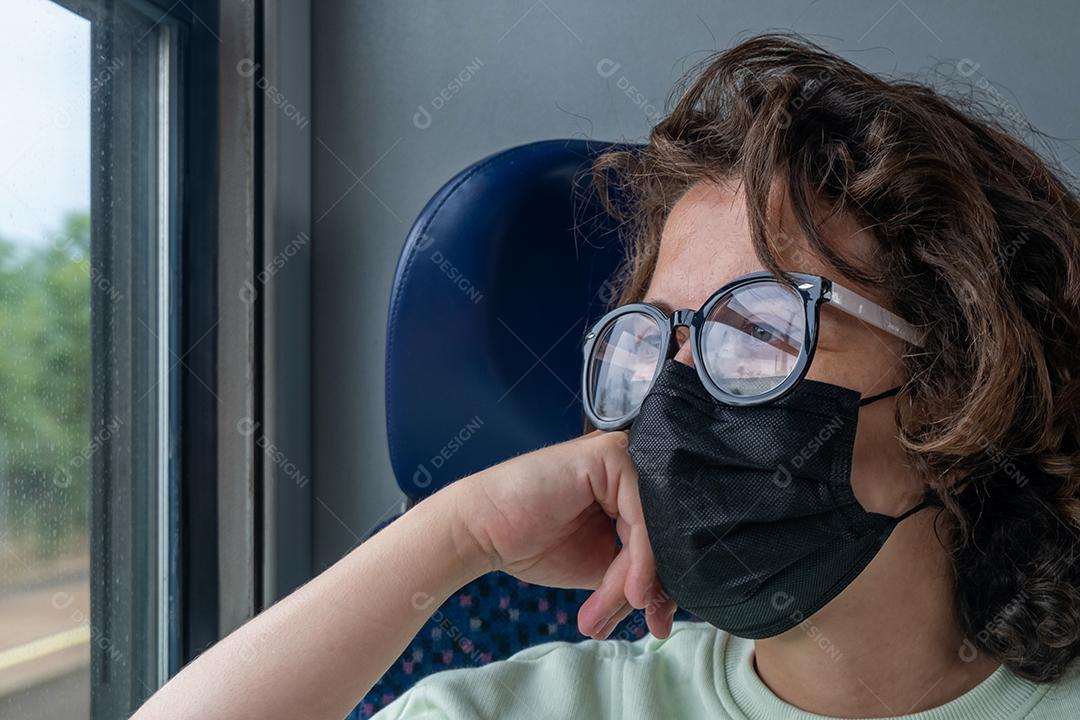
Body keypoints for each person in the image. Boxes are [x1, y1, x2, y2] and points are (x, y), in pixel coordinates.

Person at [132, 34, 1080, 720]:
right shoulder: (554, 706)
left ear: (964, 382)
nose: (675, 395)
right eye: (650, 339)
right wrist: (456, 533)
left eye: (754, 327)